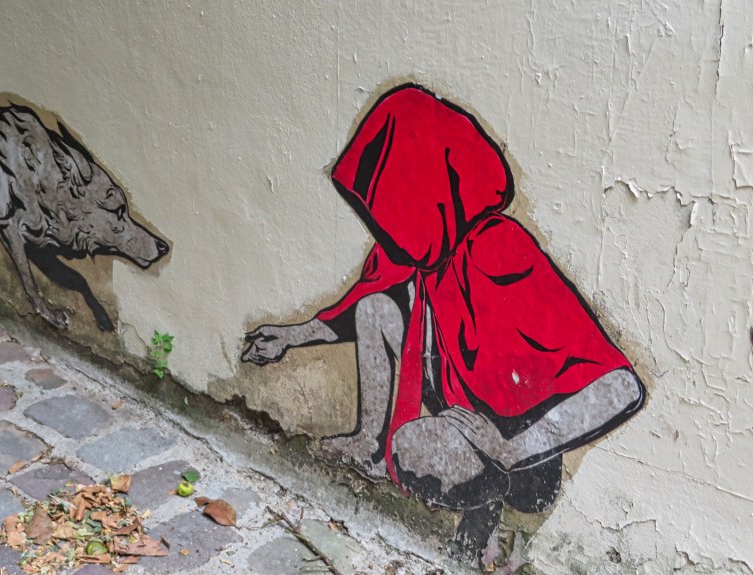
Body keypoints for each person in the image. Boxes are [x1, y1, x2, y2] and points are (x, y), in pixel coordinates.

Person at [241, 84, 646, 561]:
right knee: (377, 310)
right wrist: (291, 337)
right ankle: (369, 445)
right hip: (462, 410)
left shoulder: (498, 250)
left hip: (522, 454)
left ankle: (485, 509)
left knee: (414, 447)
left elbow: (621, 387)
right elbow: (363, 305)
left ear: (421, 188)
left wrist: (509, 447)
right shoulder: (419, 251)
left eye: (385, 201)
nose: (379, 225)